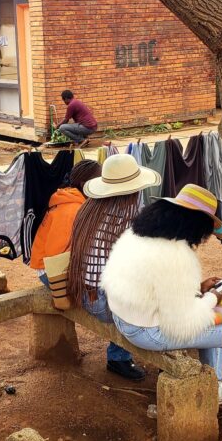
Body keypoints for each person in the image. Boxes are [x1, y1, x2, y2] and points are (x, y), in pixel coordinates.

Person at [102, 184, 222, 402]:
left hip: (123, 317)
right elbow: (186, 319)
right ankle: (215, 389)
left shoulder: (137, 235)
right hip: (145, 332)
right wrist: (213, 297)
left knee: (211, 314)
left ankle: (214, 382)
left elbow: (158, 288)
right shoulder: (176, 255)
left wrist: (198, 288)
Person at [68, 153, 161, 381]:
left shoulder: (88, 209)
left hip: (84, 293)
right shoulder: (130, 220)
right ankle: (154, 355)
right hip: (102, 303)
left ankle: (121, 356)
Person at [30, 160, 102, 287]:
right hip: (51, 271)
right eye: (99, 180)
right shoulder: (72, 209)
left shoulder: (73, 199)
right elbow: (56, 252)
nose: (102, 184)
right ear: (85, 184)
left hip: (54, 265)